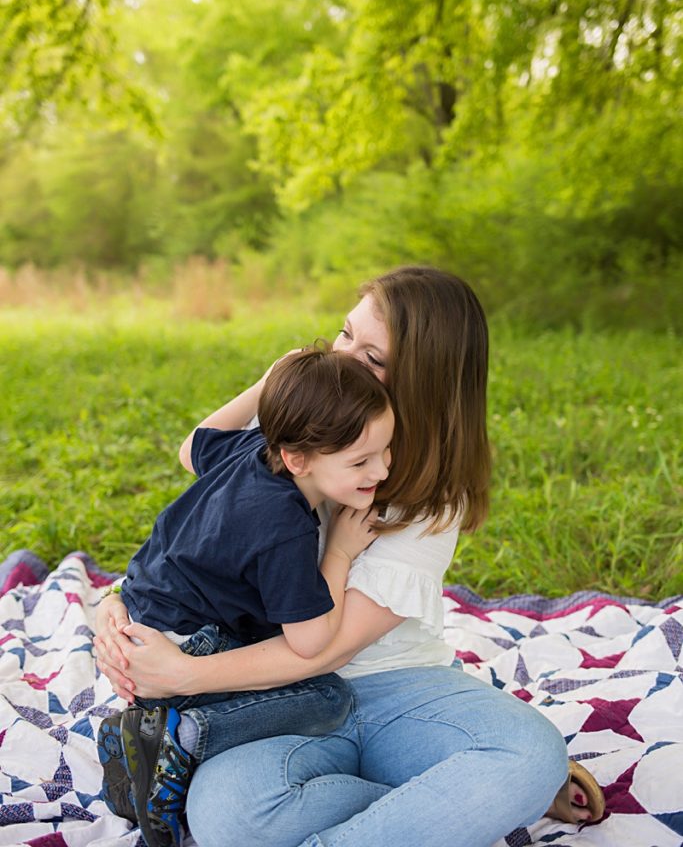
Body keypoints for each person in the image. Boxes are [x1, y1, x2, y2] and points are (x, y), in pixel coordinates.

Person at [96, 265, 604, 847]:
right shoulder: (309, 417)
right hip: (269, 702)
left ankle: (448, 791)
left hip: (396, 691)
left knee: (529, 754)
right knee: (229, 819)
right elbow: (196, 531)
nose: (344, 357)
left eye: (374, 357)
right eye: (344, 334)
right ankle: (436, 803)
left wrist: (184, 672)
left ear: (425, 381)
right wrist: (120, 609)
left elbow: (324, 647)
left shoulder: (435, 496)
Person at [97, 346, 394, 847]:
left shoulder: (254, 447)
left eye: (387, 450)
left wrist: (269, 383)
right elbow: (310, 641)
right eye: (361, 460)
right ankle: (179, 737)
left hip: (144, 615)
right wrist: (340, 552)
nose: (381, 471)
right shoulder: (284, 525)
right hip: (183, 648)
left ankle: (147, 735)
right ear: (298, 457)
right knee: (329, 696)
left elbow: (190, 447)